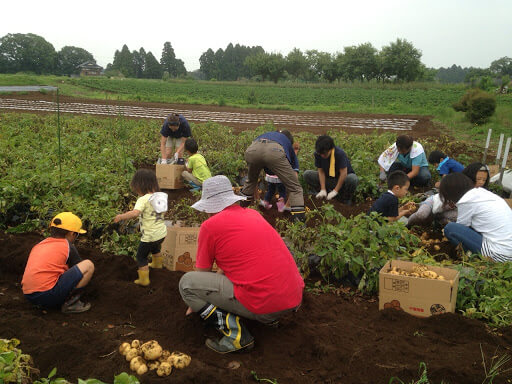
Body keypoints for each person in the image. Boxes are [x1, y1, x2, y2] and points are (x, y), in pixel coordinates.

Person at [179, 175, 304, 353]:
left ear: (210, 207)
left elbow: (201, 275)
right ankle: (269, 319)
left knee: (187, 284)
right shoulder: (253, 214)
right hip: (292, 297)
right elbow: (235, 260)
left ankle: (236, 335)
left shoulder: (210, 226)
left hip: (264, 304)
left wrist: (195, 303)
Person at [21, 212, 95, 313]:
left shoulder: (39, 245)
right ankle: (71, 304)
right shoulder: (67, 246)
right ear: (72, 234)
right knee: (88, 265)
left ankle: (44, 303)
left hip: (29, 295)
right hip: (48, 295)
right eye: (76, 235)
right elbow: (78, 267)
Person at [440, 173, 512, 262]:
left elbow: (461, 227)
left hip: (499, 255)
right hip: (508, 250)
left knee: (450, 228)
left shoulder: (466, 201)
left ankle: (470, 257)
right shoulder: (481, 193)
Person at [114, 169, 168, 286]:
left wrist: (121, 217)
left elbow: (135, 213)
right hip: (161, 233)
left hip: (149, 236)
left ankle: (144, 280)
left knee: (141, 256)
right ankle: (157, 265)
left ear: (140, 185)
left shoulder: (143, 199)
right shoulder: (160, 196)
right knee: (156, 248)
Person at [240, 130, 305, 221]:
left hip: (252, 149)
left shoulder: (268, 135)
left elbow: (253, 181)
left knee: (250, 181)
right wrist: (287, 205)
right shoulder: (287, 144)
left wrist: (258, 200)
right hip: (274, 151)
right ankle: (299, 224)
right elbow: (294, 176)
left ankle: (239, 212)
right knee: (296, 188)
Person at [407, 162, 489, 228]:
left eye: (484, 180)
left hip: (446, 211)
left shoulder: (479, 195)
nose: (481, 182)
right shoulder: (460, 185)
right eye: (478, 179)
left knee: (456, 218)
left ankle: (436, 222)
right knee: (422, 215)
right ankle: (407, 224)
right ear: (470, 177)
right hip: (434, 203)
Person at [304, 135, 358, 204]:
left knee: (352, 178)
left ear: (331, 149)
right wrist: (323, 189)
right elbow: (321, 172)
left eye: (325, 154)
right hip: (329, 179)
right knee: (307, 174)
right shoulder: (318, 154)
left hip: (342, 181)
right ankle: (322, 193)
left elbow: (343, 173)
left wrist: (335, 191)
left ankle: (344, 199)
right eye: (321, 154)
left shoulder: (339, 154)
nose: (322, 156)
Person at [260, 140, 300, 212]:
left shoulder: (275, 151)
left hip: (270, 177)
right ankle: (281, 208)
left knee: (270, 190)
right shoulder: (288, 154)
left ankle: (265, 202)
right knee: (282, 192)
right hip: (280, 178)